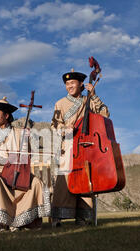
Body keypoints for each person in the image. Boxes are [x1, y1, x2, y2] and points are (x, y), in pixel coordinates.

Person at [0, 97, 51, 231]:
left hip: (18, 169)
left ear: (6, 116)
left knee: (36, 183)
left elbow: (27, 156)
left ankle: (26, 222)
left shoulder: (20, 133)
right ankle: (1, 223)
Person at [50, 69, 110, 227]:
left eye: (72, 83)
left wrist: (94, 95)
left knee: (86, 178)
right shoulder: (60, 103)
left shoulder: (89, 100)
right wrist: (65, 129)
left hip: (86, 146)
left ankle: (83, 217)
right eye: (67, 84)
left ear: (81, 84)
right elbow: (55, 125)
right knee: (65, 179)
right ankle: (58, 217)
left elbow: (105, 115)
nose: (69, 86)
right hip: (68, 145)